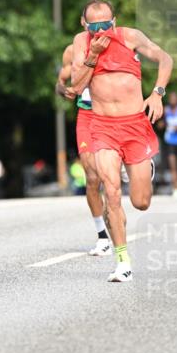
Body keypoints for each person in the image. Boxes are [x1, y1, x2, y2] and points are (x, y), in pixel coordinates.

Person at [71, 0, 173, 282]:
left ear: (114, 21)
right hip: (102, 127)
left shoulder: (130, 36)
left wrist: (157, 93)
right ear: (84, 24)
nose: (101, 31)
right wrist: (93, 54)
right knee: (111, 192)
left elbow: (166, 58)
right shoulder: (82, 42)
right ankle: (122, 261)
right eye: (95, 26)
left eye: (106, 24)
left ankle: (143, 170)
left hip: (134, 125)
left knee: (141, 202)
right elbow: (77, 86)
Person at [57, 43, 111, 256]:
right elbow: (60, 83)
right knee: (92, 177)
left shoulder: (118, 45)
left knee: (109, 177)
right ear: (83, 23)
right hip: (87, 115)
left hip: (111, 114)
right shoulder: (72, 50)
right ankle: (102, 236)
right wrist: (65, 91)